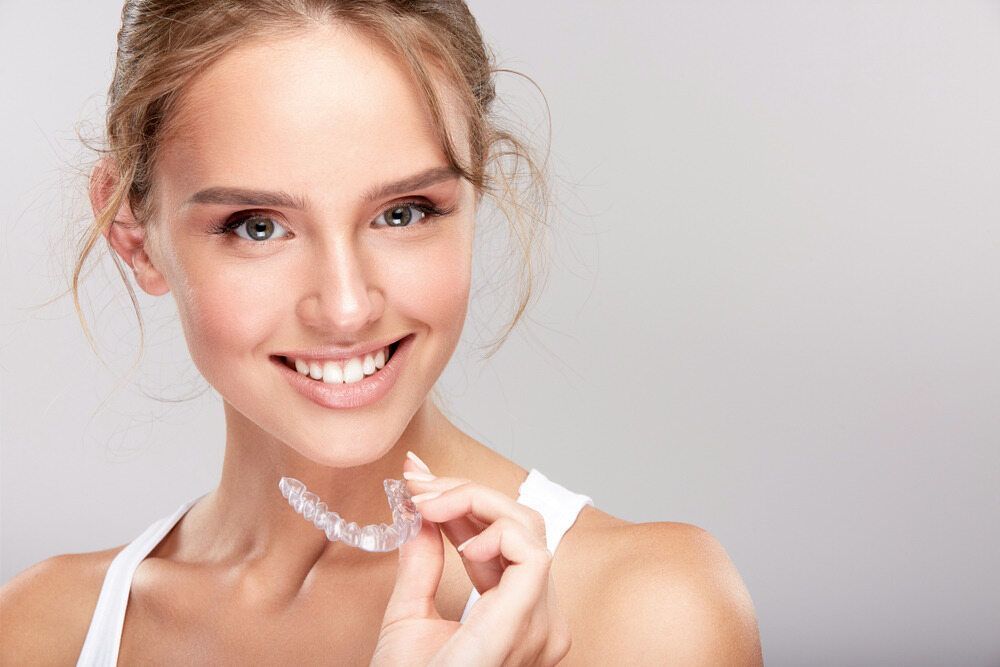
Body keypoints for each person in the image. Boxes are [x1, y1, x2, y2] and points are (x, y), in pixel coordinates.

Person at [0, 1, 762, 664]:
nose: (345, 308)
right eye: (258, 225)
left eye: (403, 213)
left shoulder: (647, 611)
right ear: (135, 234)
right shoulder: (41, 629)